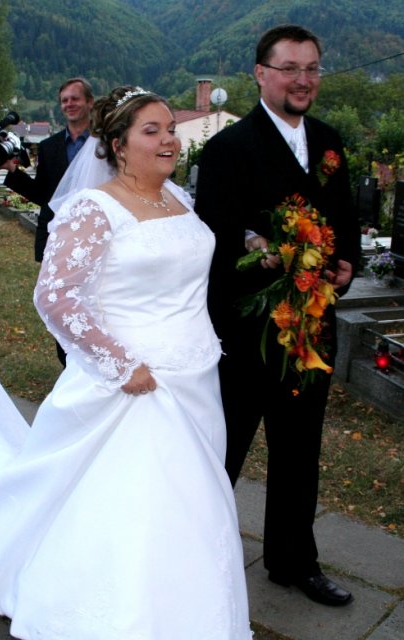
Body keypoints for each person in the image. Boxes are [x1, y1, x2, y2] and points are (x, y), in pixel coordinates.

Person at [0, 86, 252, 638]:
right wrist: (120, 365)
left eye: (171, 128)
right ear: (119, 145)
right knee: (144, 499)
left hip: (197, 374)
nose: (169, 139)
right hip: (138, 382)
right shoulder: (94, 208)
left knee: (195, 501)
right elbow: (56, 297)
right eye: (151, 130)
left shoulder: (180, 200)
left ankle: (194, 606)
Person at [195, 24, 360, 607]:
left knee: (299, 452)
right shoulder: (228, 148)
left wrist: (346, 264)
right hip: (245, 337)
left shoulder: (330, 141)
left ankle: (294, 562)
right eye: (290, 68)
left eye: (311, 68)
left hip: (311, 332)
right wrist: (262, 253)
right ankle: (194, 563)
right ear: (261, 74)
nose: (302, 80)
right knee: (223, 453)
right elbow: (213, 237)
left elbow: (344, 219)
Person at [1, 77, 94, 365]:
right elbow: (44, 195)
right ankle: (67, 365)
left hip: (93, 236)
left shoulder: (105, 144)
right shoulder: (50, 147)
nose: (69, 104)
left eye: (75, 98)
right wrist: (12, 173)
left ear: (89, 102)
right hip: (58, 238)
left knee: (92, 302)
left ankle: (92, 359)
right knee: (61, 303)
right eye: (64, 100)